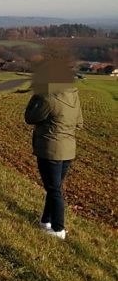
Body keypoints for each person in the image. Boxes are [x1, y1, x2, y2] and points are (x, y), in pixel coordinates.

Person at [24, 60, 83, 240]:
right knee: (54, 187)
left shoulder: (47, 98)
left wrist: (36, 95)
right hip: (68, 150)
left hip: (50, 149)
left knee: (54, 189)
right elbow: (79, 123)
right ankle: (45, 221)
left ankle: (58, 229)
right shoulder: (73, 95)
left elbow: (30, 117)